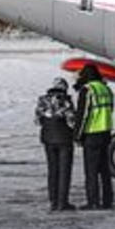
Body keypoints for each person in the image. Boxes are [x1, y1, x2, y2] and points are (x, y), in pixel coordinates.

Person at [74, 63, 115, 210]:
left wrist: (77, 135)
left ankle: (93, 201)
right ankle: (108, 201)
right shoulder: (106, 89)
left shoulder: (88, 90)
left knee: (91, 171)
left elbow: (83, 115)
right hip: (106, 132)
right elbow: (111, 108)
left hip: (91, 134)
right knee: (104, 170)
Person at [35, 78, 77, 211]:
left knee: (52, 171)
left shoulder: (43, 100)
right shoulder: (65, 100)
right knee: (64, 171)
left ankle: (53, 201)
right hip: (64, 139)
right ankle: (62, 202)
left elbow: (37, 121)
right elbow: (71, 121)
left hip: (48, 139)